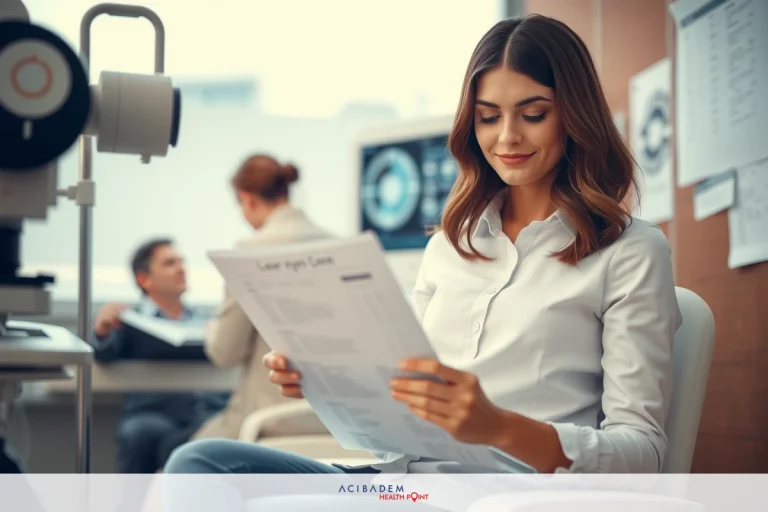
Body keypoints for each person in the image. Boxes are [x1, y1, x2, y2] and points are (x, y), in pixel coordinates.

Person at [163, 13, 681, 509]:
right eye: (488, 117)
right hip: (399, 485)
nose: (507, 138)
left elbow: (642, 457)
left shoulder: (630, 251)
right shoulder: (449, 248)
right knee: (202, 463)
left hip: (506, 494)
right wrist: (327, 379)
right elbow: (399, 412)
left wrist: (498, 426)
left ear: (575, 115)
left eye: (533, 113)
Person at [190, 154, 330, 441]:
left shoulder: (249, 250)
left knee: (180, 462)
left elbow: (225, 353)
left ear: (247, 199)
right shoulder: (337, 244)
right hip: (331, 424)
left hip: (267, 420)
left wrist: (212, 331)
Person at [92, 238, 228, 473]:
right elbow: (105, 354)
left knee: (218, 430)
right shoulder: (128, 322)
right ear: (144, 279)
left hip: (203, 411)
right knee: (140, 433)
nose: (181, 269)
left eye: (181, 262)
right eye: (169, 263)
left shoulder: (207, 322)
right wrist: (102, 332)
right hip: (153, 413)